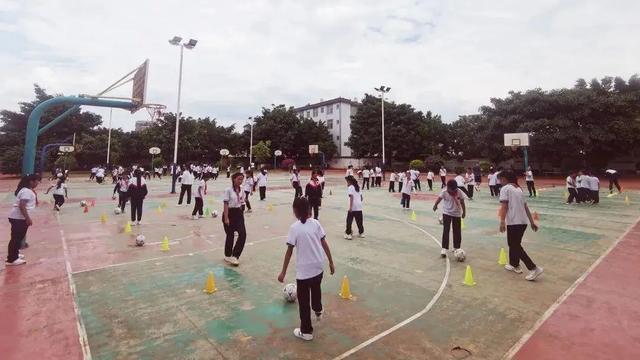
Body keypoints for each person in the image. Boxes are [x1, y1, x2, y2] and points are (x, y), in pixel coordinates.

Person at [277, 197, 335, 341]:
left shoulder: (294, 228)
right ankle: (318, 309)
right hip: (318, 267)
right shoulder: (316, 224)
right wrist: (331, 262)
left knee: (304, 303)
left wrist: (283, 272)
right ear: (309, 209)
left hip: (304, 272)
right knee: (316, 291)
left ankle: (307, 331)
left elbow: (289, 251)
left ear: (296, 211)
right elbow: (324, 244)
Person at [498, 171, 543, 281]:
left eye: (500, 179)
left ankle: (534, 268)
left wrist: (502, 221)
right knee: (514, 244)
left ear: (504, 179)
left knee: (515, 245)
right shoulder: (518, 189)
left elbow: (504, 206)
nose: (499, 182)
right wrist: (532, 222)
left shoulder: (505, 189)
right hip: (523, 222)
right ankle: (514, 264)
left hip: (514, 222)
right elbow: (526, 207)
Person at [6, 174, 40, 265]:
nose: (38, 183)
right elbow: (22, 205)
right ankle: (12, 259)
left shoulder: (26, 190)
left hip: (18, 217)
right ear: (31, 182)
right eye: (36, 181)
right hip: (19, 218)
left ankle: (14, 254)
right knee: (16, 238)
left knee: (17, 237)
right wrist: (27, 218)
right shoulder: (26, 191)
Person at [433, 179, 467, 258]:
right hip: (447, 213)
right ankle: (444, 248)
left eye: (454, 190)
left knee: (457, 231)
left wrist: (464, 212)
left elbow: (462, 202)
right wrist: (435, 205)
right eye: (450, 190)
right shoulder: (444, 191)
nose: (452, 192)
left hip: (457, 213)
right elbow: (439, 199)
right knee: (446, 230)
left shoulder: (459, 192)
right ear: (447, 187)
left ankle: (457, 247)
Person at [222, 173, 247, 266]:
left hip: (238, 213)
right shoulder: (228, 190)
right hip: (229, 213)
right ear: (233, 179)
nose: (240, 181)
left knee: (243, 234)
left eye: (242, 179)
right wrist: (226, 217)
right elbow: (226, 204)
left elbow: (242, 201)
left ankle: (235, 255)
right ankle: (227, 255)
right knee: (230, 235)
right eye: (239, 179)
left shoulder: (242, 190)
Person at [344, 175, 364, 240]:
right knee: (359, 221)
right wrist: (359, 203)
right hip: (359, 206)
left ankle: (348, 234)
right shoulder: (357, 187)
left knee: (349, 220)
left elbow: (351, 197)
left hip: (353, 206)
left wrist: (350, 207)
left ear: (349, 181)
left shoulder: (350, 187)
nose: (347, 183)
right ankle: (361, 233)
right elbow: (361, 198)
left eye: (347, 181)